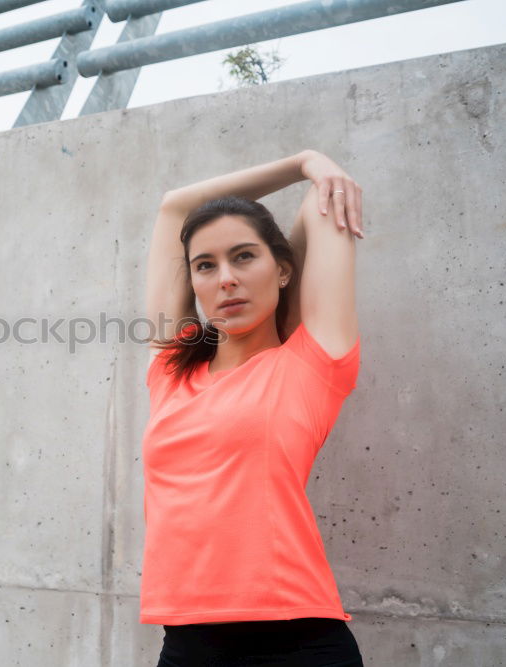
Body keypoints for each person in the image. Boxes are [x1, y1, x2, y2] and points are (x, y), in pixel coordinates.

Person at [141, 149, 366, 666]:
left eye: (244, 256)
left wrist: (318, 169)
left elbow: (320, 203)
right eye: (206, 265)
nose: (225, 278)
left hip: (294, 643)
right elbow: (175, 208)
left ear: (283, 269)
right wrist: (299, 161)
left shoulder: (312, 362)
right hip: (186, 645)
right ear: (193, 282)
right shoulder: (170, 368)